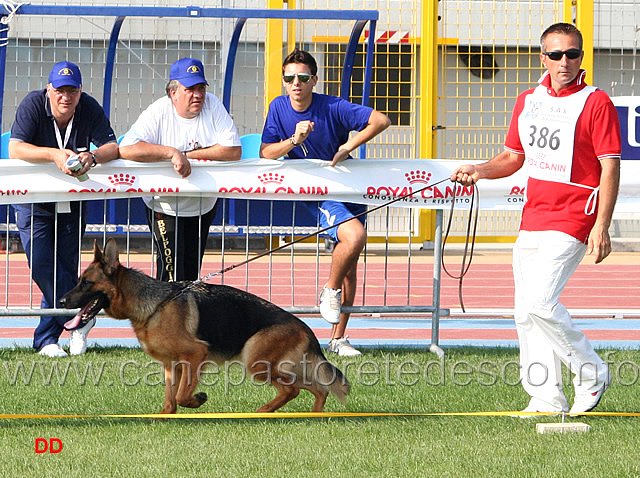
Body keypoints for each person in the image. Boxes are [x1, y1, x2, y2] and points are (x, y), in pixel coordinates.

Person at [450, 23, 621, 415]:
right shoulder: (528, 99)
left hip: (577, 216)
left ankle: (591, 372)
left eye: (573, 54)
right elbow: (512, 158)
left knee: (542, 303)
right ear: (543, 58)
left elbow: (609, 167)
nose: (566, 62)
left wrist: (602, 225)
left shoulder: (596, 102)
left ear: (581, 58)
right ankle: (545, 397)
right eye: (557, 54)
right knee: (525, 312)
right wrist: (478, 169)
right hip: (534, 215)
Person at [260, 49, 391, 357]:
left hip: (349, 187)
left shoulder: (332, 106)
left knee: (349, 264)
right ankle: (328, 291)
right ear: (283, 80)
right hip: (317, 192)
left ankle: (338, 338)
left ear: (313, 81)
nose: (296, 84)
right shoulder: (278, 107)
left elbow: (381, 120)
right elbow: (266, 152)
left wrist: (349, 145)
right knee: (355, 235)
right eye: (289, 78)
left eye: (303, 78)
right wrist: (295, 140)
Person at [9, 61, 119, 358]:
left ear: (80, 92)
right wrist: (54, 155)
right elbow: (16, 148)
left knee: (67, 268)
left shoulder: (89, 107)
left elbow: (113, 146)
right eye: (60, 90)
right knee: (44, 265)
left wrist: (92, 157)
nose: (65, 97)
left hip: (73, 200)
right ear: (49, 90)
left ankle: (47, 339)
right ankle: (80, 318)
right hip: (35, 200)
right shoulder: (33, 104)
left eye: (72, 91)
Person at [119, 58, 241, 282]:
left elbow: (233, 150)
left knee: (190, 275)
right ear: (173, 92)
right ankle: (166, 317)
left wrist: (186, 156)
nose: (198, 95)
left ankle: (185, 317)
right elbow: (127, 148)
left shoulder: (213, 105)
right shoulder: (158, 111)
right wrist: (171, 153)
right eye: (190, 89)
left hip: (203, 205)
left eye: (201, 88)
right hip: (163, 206)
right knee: (171, 275)